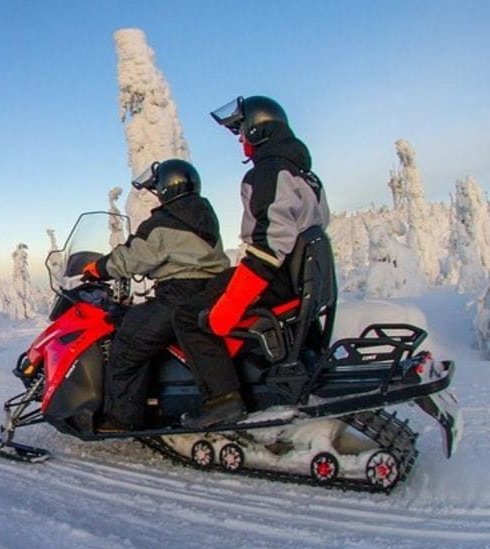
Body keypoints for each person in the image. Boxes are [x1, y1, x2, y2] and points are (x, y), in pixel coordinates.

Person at [171, 95, 331, 429]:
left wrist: (230, 305)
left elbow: (269, 246)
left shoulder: (269, 172)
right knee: (216, 285)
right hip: (294, 276)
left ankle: (223, 400)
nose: (241, 139)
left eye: (242, 131)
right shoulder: (303, 173)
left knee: (189, 316)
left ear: (259, 130)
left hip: (276, 277)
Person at [82, 159, 230, 433]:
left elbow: (134, 257)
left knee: (128, 344)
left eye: (158, 188)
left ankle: (120, 419)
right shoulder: (202, 214)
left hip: (179, 294)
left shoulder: (166, 220)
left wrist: (98, 268)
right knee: (139, 324)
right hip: (211, 291)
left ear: (167, 188)